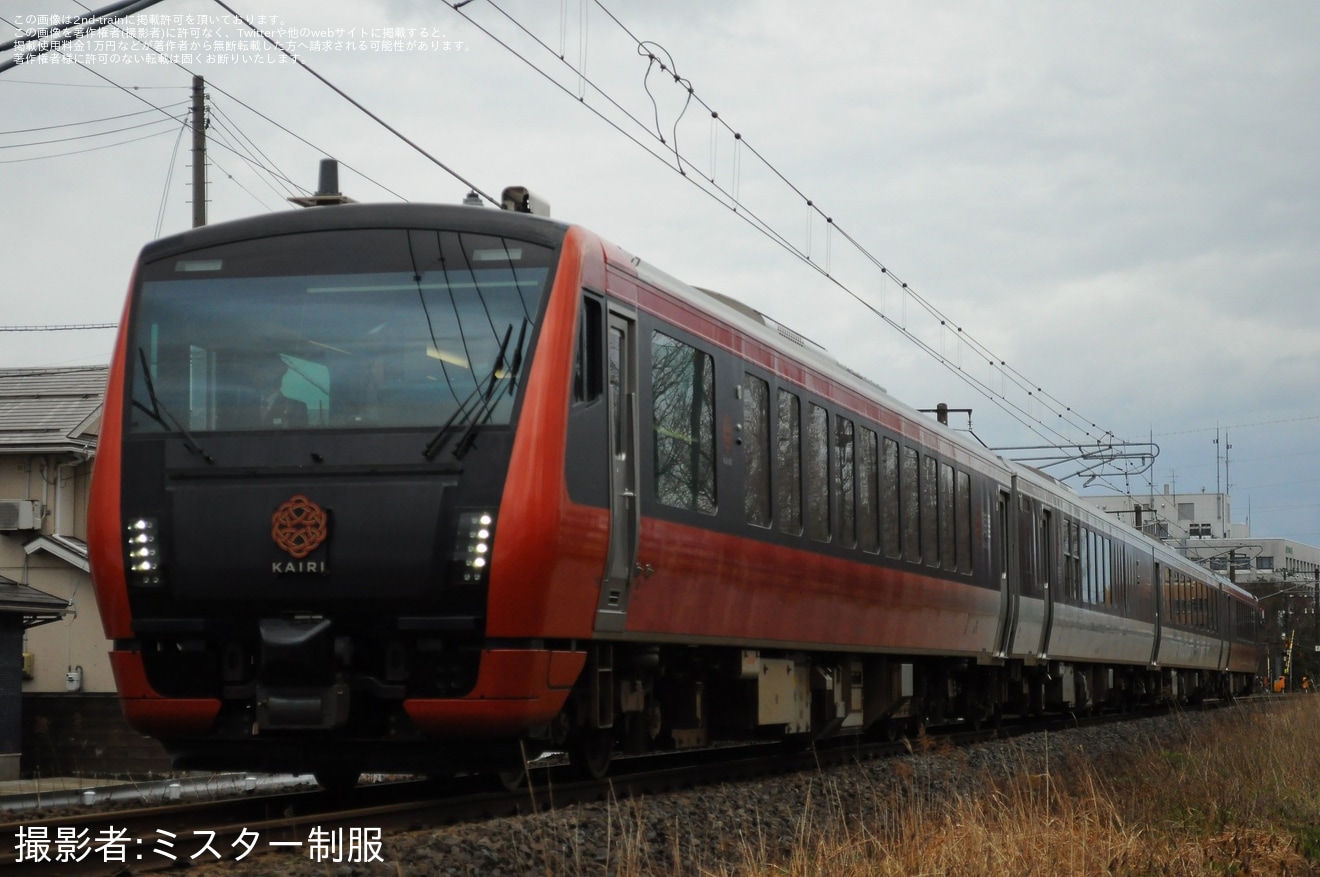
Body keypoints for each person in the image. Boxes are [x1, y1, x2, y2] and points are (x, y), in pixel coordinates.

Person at [250, 354, 308, 428]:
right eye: (259, 370)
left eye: (269, 371)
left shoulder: (297, 408)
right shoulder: (246, 405)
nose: (261, 375)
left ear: (279, 378)